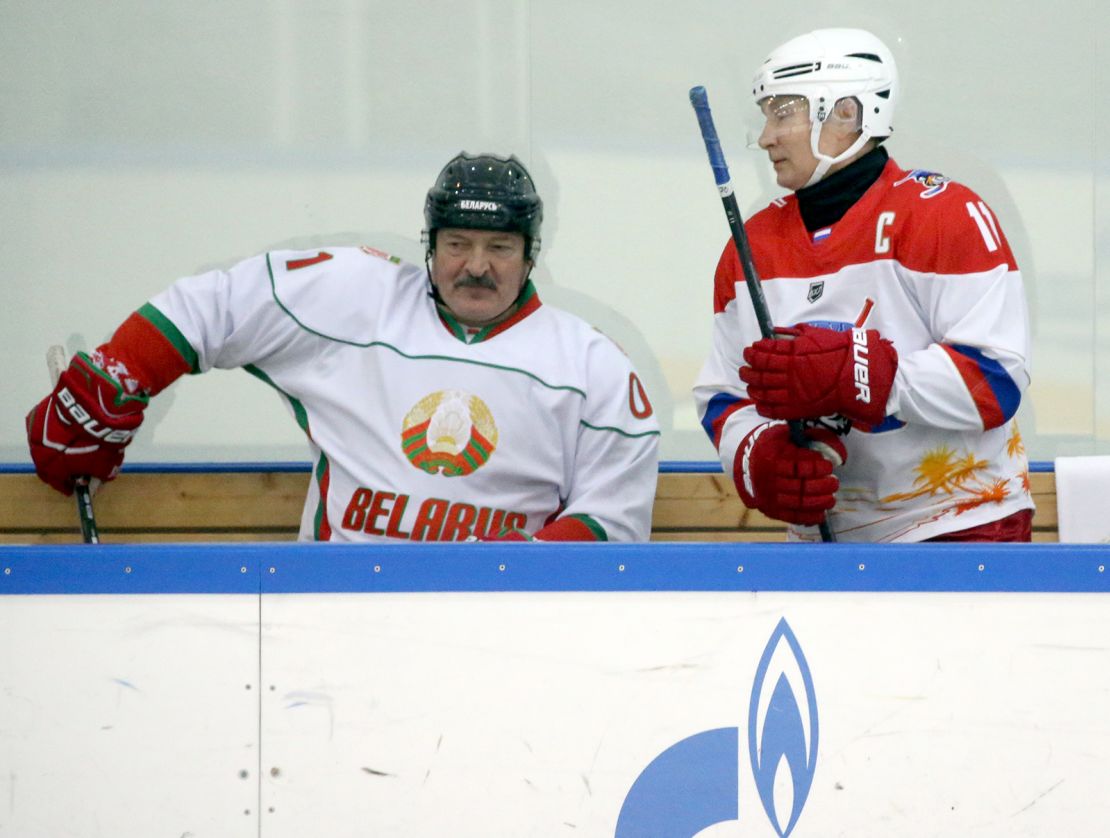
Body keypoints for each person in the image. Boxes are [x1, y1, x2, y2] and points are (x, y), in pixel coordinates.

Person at [26, 152, 661, 542]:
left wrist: (517, 582)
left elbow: (613, 522)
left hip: (502, 626)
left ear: (530, 256)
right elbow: (209, 307)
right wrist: (110, 381)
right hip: (334, 611)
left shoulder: (590, 365)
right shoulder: (357, 295)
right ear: (429, 244)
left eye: (499, 248)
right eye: (457, 243)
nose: (475, 266)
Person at [693, 28, 1034, 542]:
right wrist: (761, 456)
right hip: (824, 545)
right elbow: (724, 396)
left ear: (847, 112)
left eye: (783, 111)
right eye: (766, 116)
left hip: (958, 525)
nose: (766, 136)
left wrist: (865, 375)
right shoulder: (752, 246)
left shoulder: (944, 214)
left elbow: (997, 380)